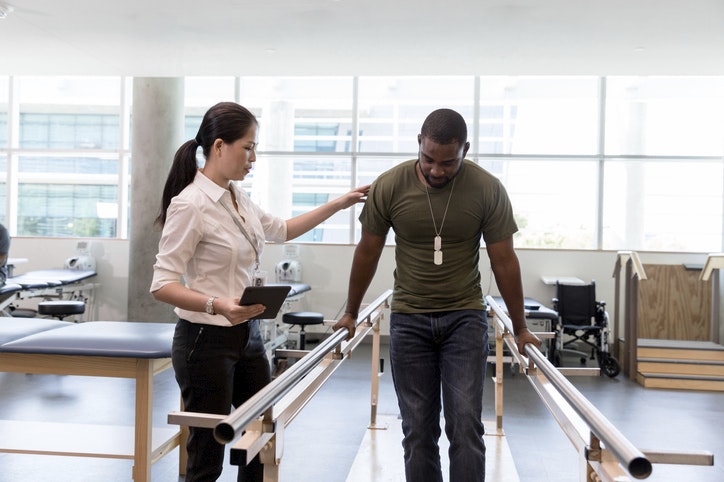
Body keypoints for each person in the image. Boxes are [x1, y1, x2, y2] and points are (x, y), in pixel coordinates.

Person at [150, 101, 369, 482]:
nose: (253, 157)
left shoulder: (238, 198)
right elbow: (162, 284)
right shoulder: (190, 204)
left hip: (247, 336)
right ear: (219, 146)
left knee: (259, 438)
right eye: (247, 147)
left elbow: (282, 229)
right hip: (204, 341)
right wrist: (217, 305)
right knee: (207, 457)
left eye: (256, 148)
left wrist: (339, 203)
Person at [333, 108, 540, 482]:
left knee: (465, 425)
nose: (436, 170)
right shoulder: (390, 186)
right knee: (417, 430)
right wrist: (350, 312)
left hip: (464, 316)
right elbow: (367, 251)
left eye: (449, 162)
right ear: (418, 143)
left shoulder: (487, 188)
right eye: (428, 159)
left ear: (466, 150)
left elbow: (505, 261)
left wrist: (521, 328)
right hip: (410, 319)